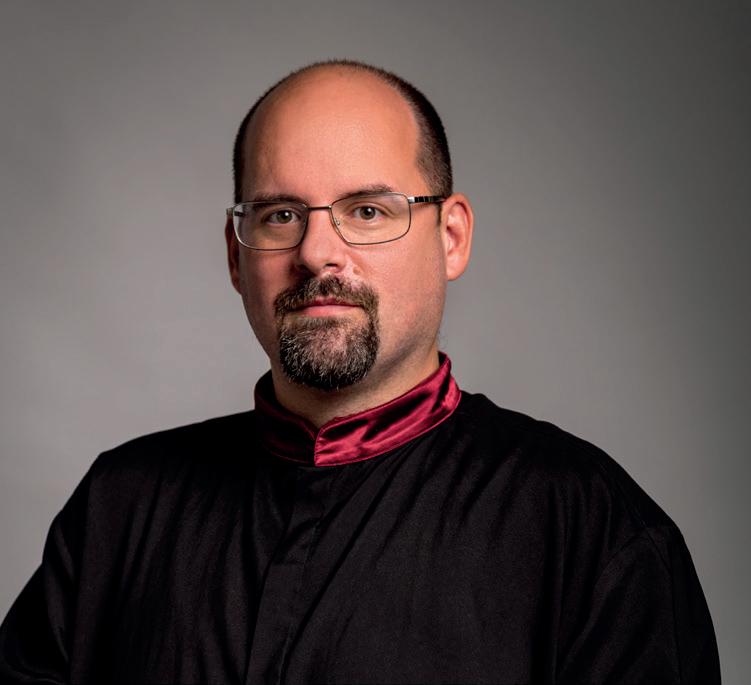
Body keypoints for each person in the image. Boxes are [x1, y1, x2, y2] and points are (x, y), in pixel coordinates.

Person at [0, 60, 719, 684]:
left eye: (368, 210)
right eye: (281, 215)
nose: (317, 252)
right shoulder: (119, 507)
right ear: (235, 256)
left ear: (451, 238)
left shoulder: (593, 531)